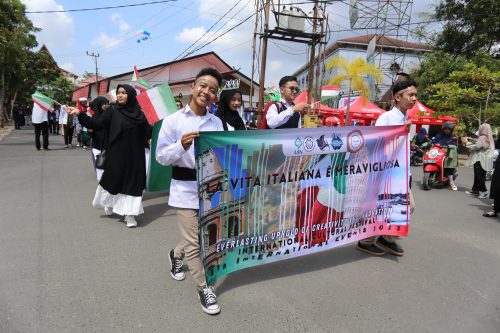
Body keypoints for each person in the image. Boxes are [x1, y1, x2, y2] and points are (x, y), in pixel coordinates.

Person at [156, 67, 224, 315]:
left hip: (211, 189)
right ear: (193, 86)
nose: (206, 92)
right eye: (203, 86)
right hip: (184, 189)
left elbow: (227, 154)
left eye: (213, 90)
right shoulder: (173, 122)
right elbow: (162, 157)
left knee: (201, 236)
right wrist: (181, 145)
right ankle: (204, 287)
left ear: (216, 97)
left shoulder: (218, 123)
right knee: (195, 241)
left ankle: (175, 254)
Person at [67, 84, 152, 228]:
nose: (120, 95)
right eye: (119, 93)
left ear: (130, 95)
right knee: (114, 181)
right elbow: (96, 123)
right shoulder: (113, 111)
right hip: (116, 155)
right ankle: (108, 203)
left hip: (135, 156)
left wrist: (157, 124)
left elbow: (147, 133)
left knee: (133, 185)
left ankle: (129, 214)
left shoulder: (140, 114)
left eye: (124, 93)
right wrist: (79, 114)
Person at [357, 79, 417, 257]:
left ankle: (386, 238)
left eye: (415, 95)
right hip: (385, 173)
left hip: (400, 172)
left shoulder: (405, 117)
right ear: (398, 97)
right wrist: (398, 132)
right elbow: (376, 144)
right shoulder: (387, 118)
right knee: (386, 207)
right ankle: (366, 241)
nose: (414, 98)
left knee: (400, 207)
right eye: (410, 95)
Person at [463, 123, 495, 199]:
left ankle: (483, 191)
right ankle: (475, 190)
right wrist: (474, 140)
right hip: (484, 159)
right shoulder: (488, 137)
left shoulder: (482, 137)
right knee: (480, 175)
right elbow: (481, 144)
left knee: (478, 175)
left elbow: (476, 146)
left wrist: (467, 143)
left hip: (479, 159)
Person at [432, 121, 459, 190]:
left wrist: (450, 146)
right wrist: (435, 143)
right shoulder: (439, 135)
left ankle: (451, 183)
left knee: (449, 167)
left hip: (448, 154)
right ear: (443, 129)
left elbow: (455, 144)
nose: (447, 130)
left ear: (451, 130)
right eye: (446, 128)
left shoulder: (453, 137)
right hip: (439, 153)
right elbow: (434, 141)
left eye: (449, 129)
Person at [88, 96, 110, 182]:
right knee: (100, 164)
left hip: (109, 145)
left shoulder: (109, 115)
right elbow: (91, 132)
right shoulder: (94, 117)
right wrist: (90, 131)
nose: (106, 105)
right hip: (97, 146)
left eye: (106, 103)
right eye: (104, 104)